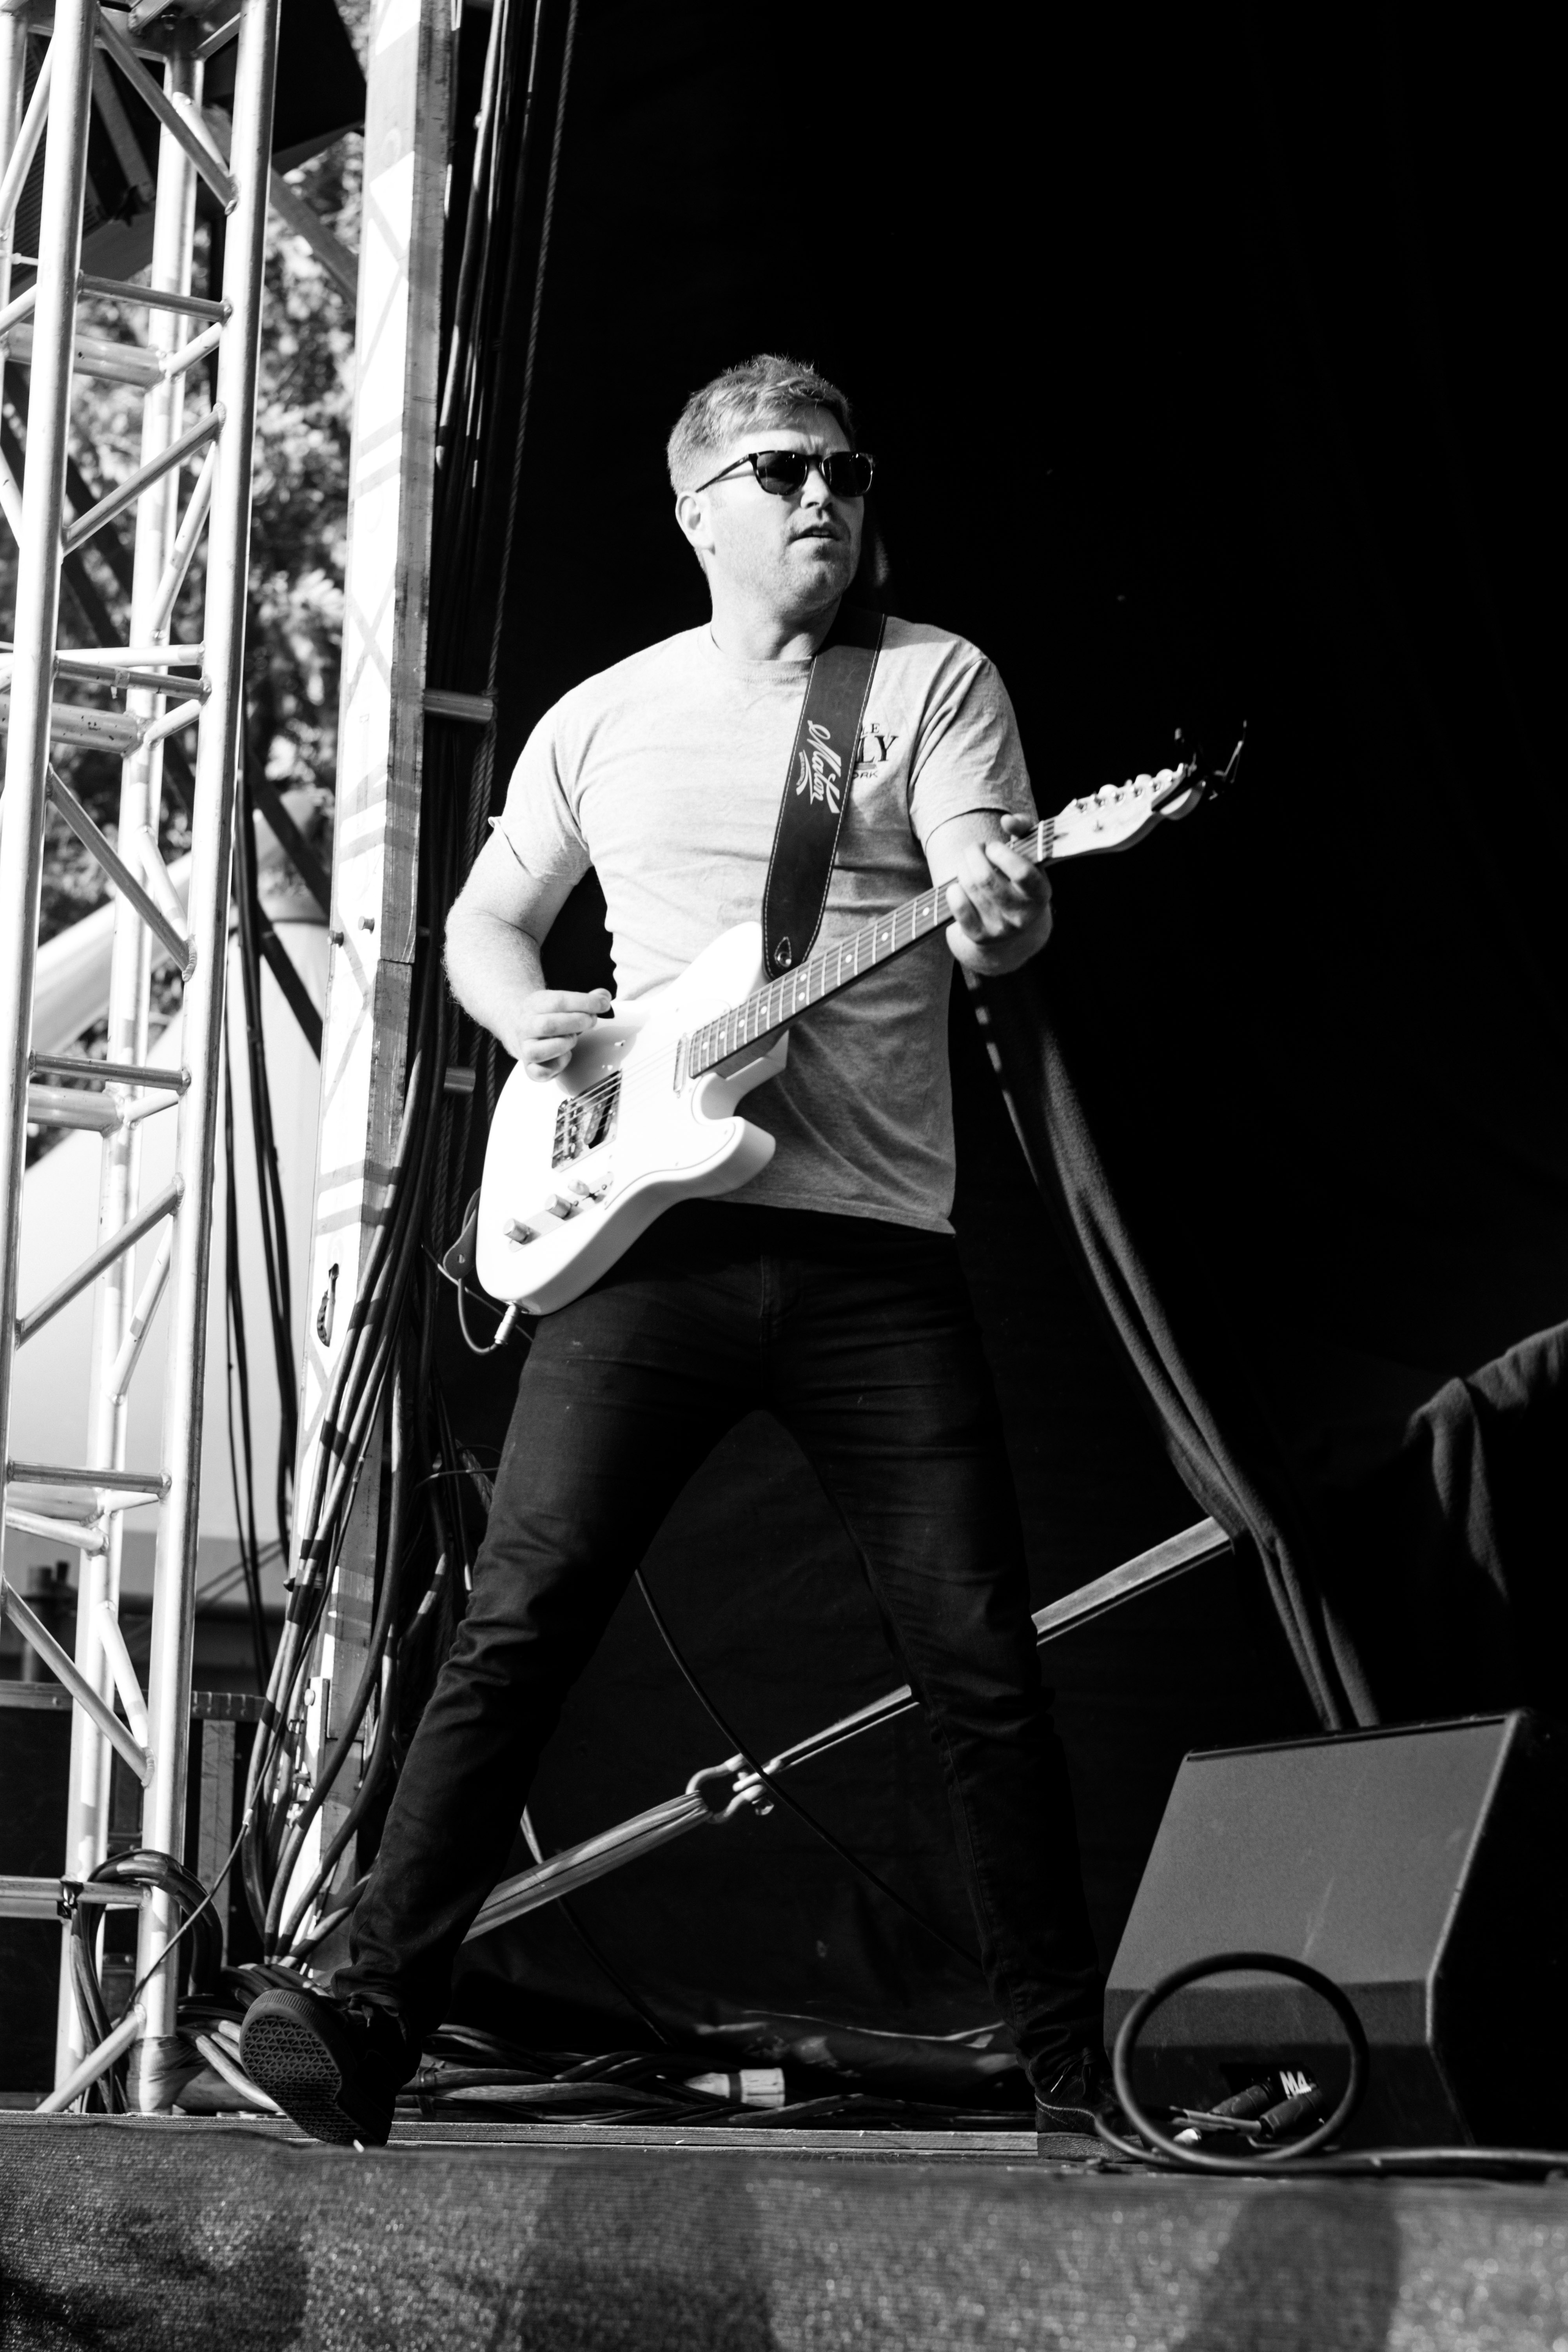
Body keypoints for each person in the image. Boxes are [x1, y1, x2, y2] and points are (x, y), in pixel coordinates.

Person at [242, 353, 1108, 2144]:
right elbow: (487, 922)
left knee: (979, 1665)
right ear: (698, 508)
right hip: (644, 1235)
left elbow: (989, 911)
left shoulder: (927, 680)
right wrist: (527, 1019)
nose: (825, 497)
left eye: (846, 469)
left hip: (873, 1253)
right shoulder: (603, 716)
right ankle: (365, 2019)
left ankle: (1074, 2077)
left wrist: (1007, 904)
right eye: (783, 470)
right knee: (517, 1624)